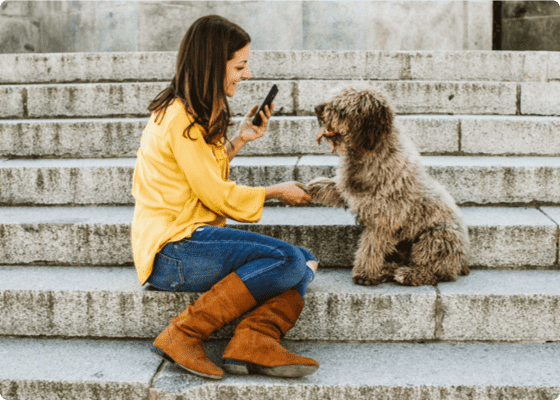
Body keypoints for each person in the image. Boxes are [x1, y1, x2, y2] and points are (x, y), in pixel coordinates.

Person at [131, 15, 319, 380]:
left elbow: (201, 174)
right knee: (286, 258)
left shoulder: (188, 111)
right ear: (213, 64)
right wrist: (276, 191)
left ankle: (254, 339)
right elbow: (215, 193)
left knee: (303, 260)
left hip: (187, 240)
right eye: (240, 65)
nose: (247, 75)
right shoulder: (179, 118)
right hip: (173, 249)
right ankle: (183, 334)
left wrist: (241, 139)